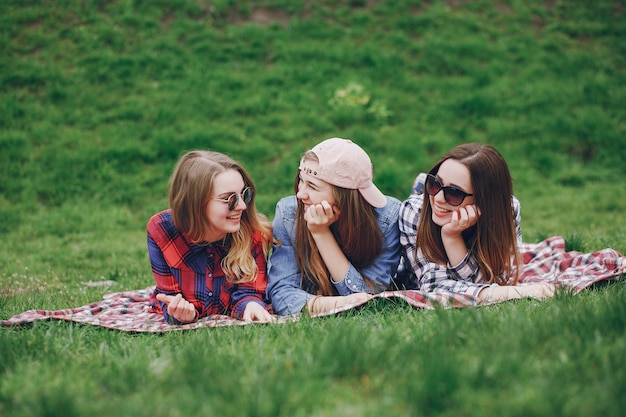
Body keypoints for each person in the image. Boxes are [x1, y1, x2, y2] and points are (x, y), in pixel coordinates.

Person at [399, 143, 555, 303]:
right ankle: (421, 185)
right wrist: (516, 292)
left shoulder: (505, 210)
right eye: (434, 183)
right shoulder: (413, 212)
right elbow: (435, 288)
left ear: (483, 200)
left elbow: (491, 280)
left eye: (453, 192)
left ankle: (423, 183)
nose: (438, 198)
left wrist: (452, 238)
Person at [267, 137, 402, 315]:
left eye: (312, 186)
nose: (300, 194)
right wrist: (339, 303)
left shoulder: (387, 218)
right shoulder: (288, 214)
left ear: (343, 196)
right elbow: (281, 293)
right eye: (301, 180)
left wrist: (321, 234)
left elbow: (369, 300)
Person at [147, 150, 275, 324]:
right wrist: (179, 314)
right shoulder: (161, 230)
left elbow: (248, 292)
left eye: (244, 194)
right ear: (196, 202)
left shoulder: (252, 230)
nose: (243, 206)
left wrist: (251, 305)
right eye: (229, 199)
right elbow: (168, 298)